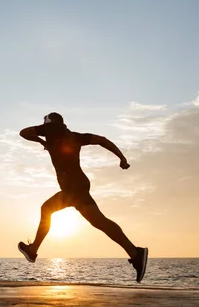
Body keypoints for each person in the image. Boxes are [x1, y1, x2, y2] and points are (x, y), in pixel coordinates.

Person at [17, 112, 148, 282]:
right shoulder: (74, 137)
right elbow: (102, 140)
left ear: (49, 123)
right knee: (100, 222)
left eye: (45, 125)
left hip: (72, 189)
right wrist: (121, 157)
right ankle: (135, 253)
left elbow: (24, 133)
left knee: (47, 209)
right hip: (79, 186)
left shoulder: (49, 130)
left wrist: (42, 139)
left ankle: (33, 251)